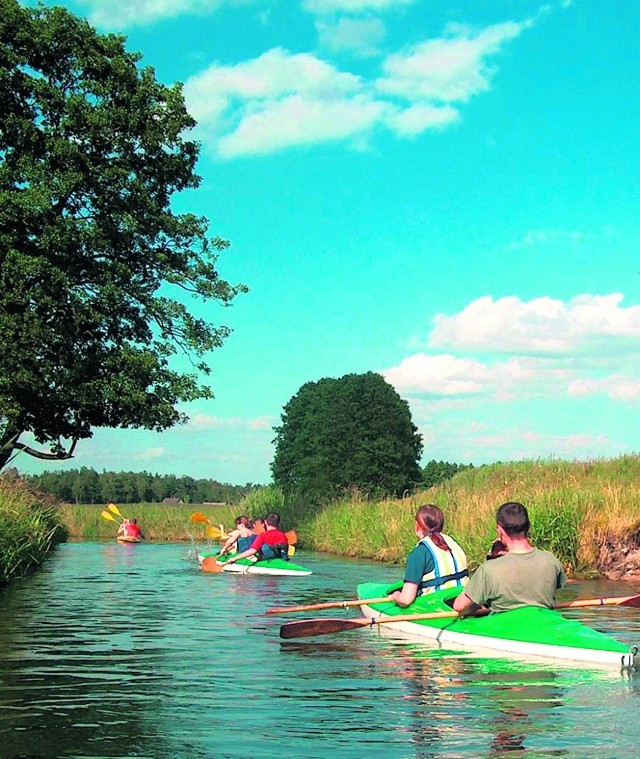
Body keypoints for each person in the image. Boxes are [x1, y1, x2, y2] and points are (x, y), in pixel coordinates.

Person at [453, 501, 567, 616]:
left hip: (504, 630)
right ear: (529, 526)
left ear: (500, 531)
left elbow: (459, 606)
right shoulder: (551, 560)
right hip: (545, 625)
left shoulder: (489, 569)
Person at [388, 504, 468, 608]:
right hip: (462, 603)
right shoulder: (454, 544)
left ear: (417, 526)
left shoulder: (419, 553)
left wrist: (396, 596)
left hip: (434, 608)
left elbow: (406, 600)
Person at [222, 513, 289, 565]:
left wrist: (235, 558)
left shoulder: (263, 536)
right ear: (278, 523)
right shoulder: (283, 536)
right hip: (282, 561)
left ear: (265, 522)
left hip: (265, 562)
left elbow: (252, 551)